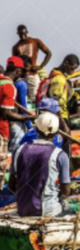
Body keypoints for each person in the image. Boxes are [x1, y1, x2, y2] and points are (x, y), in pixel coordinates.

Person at [9, 112, 73, 217]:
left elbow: (12, 186)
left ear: (37, 129)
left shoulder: (19, 150)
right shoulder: (60, 155)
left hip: (22, 208)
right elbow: (65, 191)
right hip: (48, 210)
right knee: (70, 210)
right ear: (56, 132)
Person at [1, 57, 37, 187]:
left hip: (6, 127)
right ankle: (14, 182)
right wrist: (29, 120)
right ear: (17, 71)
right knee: (14, 155)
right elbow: (9, 112)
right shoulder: (14, 85)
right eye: (21, 72)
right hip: (7, 127)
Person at [12, 25, 52, 101]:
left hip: (32, 75)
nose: (23, 36)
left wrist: (41, 66)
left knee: (35, 98)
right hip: (21, 77)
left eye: (24, 33)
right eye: (21, 34)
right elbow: (14, 63)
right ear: (18, 34)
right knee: (22, 99)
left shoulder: (35, 41)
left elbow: (48, 53)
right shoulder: (16, 47)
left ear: (27, 32)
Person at [46, 54, 79, 126]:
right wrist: (62, 123)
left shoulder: (54, 73)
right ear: (66, 63)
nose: (73, 72)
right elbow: (54, 103)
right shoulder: (59, 79)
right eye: (72, 68)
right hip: (60, 117)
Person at [8, 56, 32, 153]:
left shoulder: (8, 82)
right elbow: (23, 107)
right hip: (17, 122)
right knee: (17, 150)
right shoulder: (21, 84)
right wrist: (29, 125)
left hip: (8, 122)